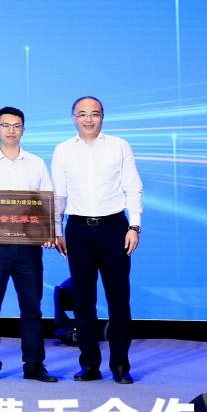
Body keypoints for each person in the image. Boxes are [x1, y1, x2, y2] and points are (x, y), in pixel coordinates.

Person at [51, 96, 143, 384]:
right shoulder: (63, 150)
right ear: (73, 117)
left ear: (103, 116)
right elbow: (59, 194)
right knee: (83, 300)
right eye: (82, 114)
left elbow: (133, 187)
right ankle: (89, 365)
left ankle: (120, 366)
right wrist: (56, 229)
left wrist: (135, 226)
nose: (88, 119)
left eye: (94, 114)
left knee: (119, 299)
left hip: (114, 227)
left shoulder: (119, 146)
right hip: (78, 229)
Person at [0, 107, 57, 383]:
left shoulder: (36, 163)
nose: (11, 130)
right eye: (5, 125)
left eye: (16, 126)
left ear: (23, 130)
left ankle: (34, 365)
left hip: (29, 248)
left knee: (32, 308)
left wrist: (49, 232)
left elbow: (46, 201)